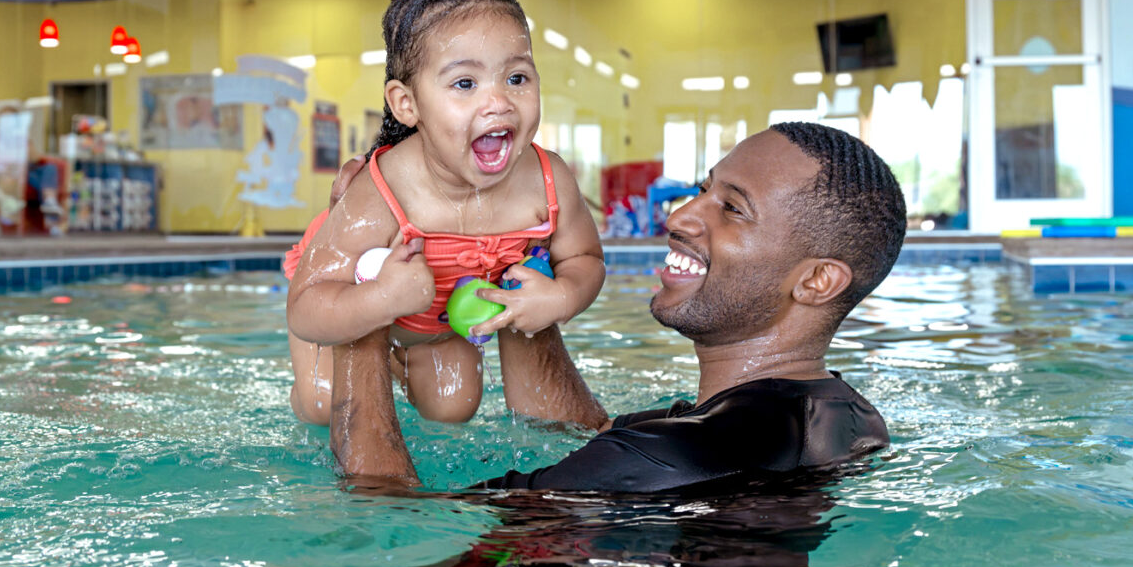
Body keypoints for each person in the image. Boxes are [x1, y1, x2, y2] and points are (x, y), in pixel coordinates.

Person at [328, 122, 907, 493]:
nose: (679, 217)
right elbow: (584, 435)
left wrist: (361, 299)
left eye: (731, 209)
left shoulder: (682, 455)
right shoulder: (839, 417)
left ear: (817, 281)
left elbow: (398, 516)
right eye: (704, 189)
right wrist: (509, 261)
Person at [285, 0, 607, 428]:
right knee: (323, 404)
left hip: (434, 326)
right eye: (464, 83)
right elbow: (306, 306)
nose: (498, 101)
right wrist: (380, 301)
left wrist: (560, 298)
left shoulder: (547, 178)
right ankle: (366, 354)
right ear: (406, 104)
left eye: (516, 77)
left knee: (452, 408)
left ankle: (402, 358)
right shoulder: (385, 188)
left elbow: (585, 259)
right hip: (353, 300)